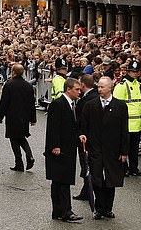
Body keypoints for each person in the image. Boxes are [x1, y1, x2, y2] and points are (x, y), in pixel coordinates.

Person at [80, 76, 129, 220]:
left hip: (113, 149)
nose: (99, 89)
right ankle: (99, 208)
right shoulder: (90, 105)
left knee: (111, 180)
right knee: (96, 178)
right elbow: (84, 127)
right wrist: (86, 146)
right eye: (98, 87)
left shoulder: (120, 106)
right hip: (95, 147)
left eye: (102, 87)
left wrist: (124, 151)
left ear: (110, 88)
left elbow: (124, 130)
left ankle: (108, 208)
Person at [45, 77, 83, 222]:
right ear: (68, 89)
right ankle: (65, 211)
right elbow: (53, 127)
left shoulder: (73, 104)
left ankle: (59, 211)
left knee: (61, 181)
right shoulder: (58, 104)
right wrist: (55, 145)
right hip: (60, 149)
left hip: (69, 147)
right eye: (77, 89)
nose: (79, 92)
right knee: (61, 181)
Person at [0, 63, 36, 171]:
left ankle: (19, 163)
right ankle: (30, 155)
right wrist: (33, 119)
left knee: (14, 139)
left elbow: (4, 102)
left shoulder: (9, 85)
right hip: (24, 116)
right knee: (22, 137)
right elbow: (32, 103)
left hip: (12, 115)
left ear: (13, 72)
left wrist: (0, 116)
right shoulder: (28, 86)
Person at [112, 60, 141, 176]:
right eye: (133, 71)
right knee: (124, 148)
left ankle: (134, 168)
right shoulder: (122, 85)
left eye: (137, 71)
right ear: (128, 72)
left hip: (136, 123)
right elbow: (116, 104)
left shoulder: (137, 84)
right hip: (126, 123)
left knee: (134, 149)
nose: (135, 74)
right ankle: (123, 168)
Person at [73, 73, 97, 201]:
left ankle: (88, 190)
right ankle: (86, 189)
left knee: (86, 164)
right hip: (89, 136)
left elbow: (81, 120)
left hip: (86, 137)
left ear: (83, 84)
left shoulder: (87, 100)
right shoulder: (93, 97)